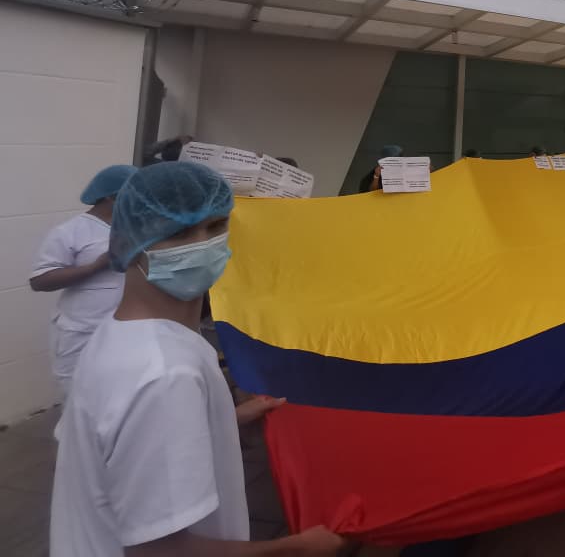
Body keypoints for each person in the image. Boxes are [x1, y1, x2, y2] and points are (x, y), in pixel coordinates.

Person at [50, 162, 349, 556]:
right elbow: (160, 551)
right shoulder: (164, 374)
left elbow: (119, 440)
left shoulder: (120, 334)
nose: (202, 244)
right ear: (132, 241)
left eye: (215, 226)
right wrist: (295, 548)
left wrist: (227, 417)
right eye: (178, 232)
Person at [29, 164, 136, 396]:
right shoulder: (71, 231)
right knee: (77, 398)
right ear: (110, 196)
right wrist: (97, 266)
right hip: (82, 332)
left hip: (123, 330)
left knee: (114, 399)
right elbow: (39, 280)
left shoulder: (134, 228)